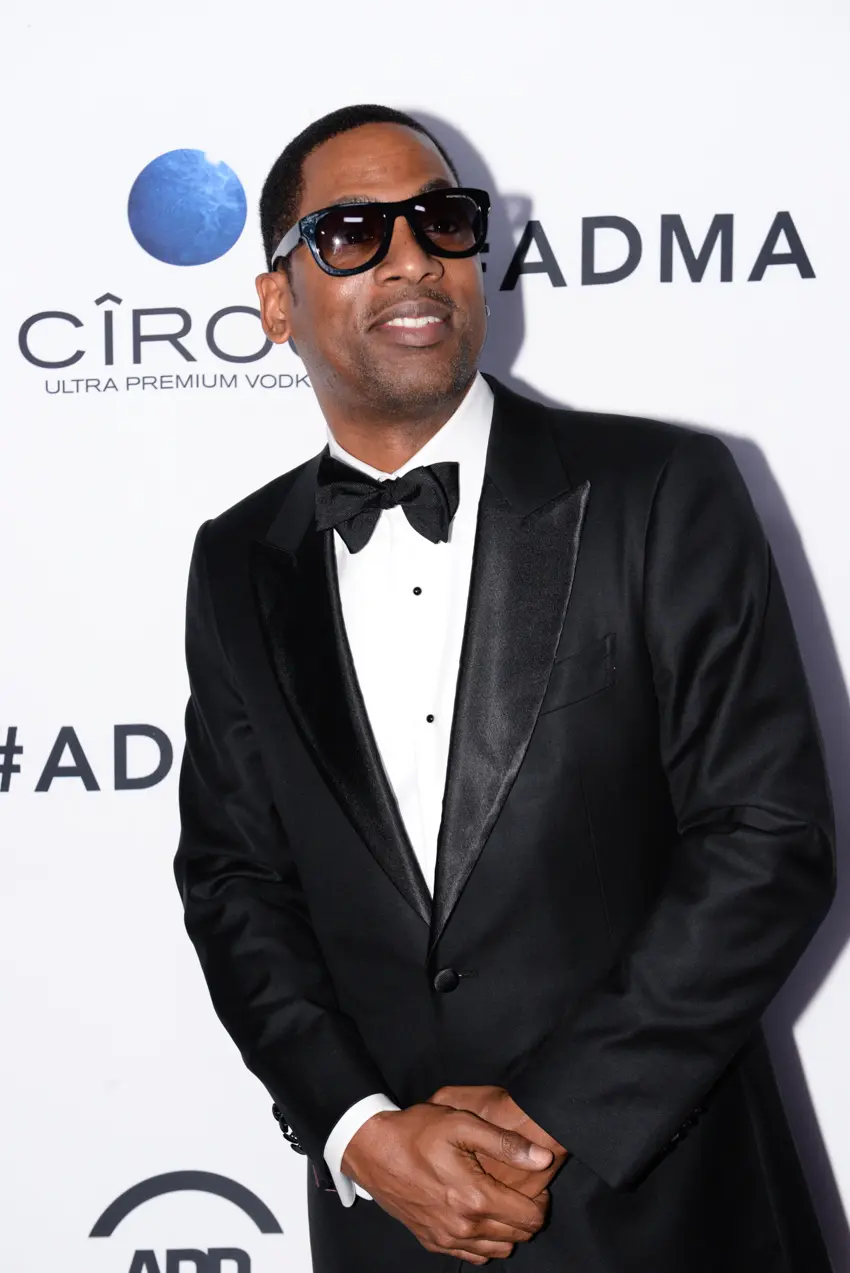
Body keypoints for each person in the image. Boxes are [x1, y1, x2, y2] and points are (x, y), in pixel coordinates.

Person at [173, 104, 836, 1272]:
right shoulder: (237, 560)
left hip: (663, 1209)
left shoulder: (659, 489)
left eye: (441, 220)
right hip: (389, 1221)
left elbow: (766, 836)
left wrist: (547, 1117)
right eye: (352, 233)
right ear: (277, 301)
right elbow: (235, 882)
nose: (412, 258)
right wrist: (358, 1129)